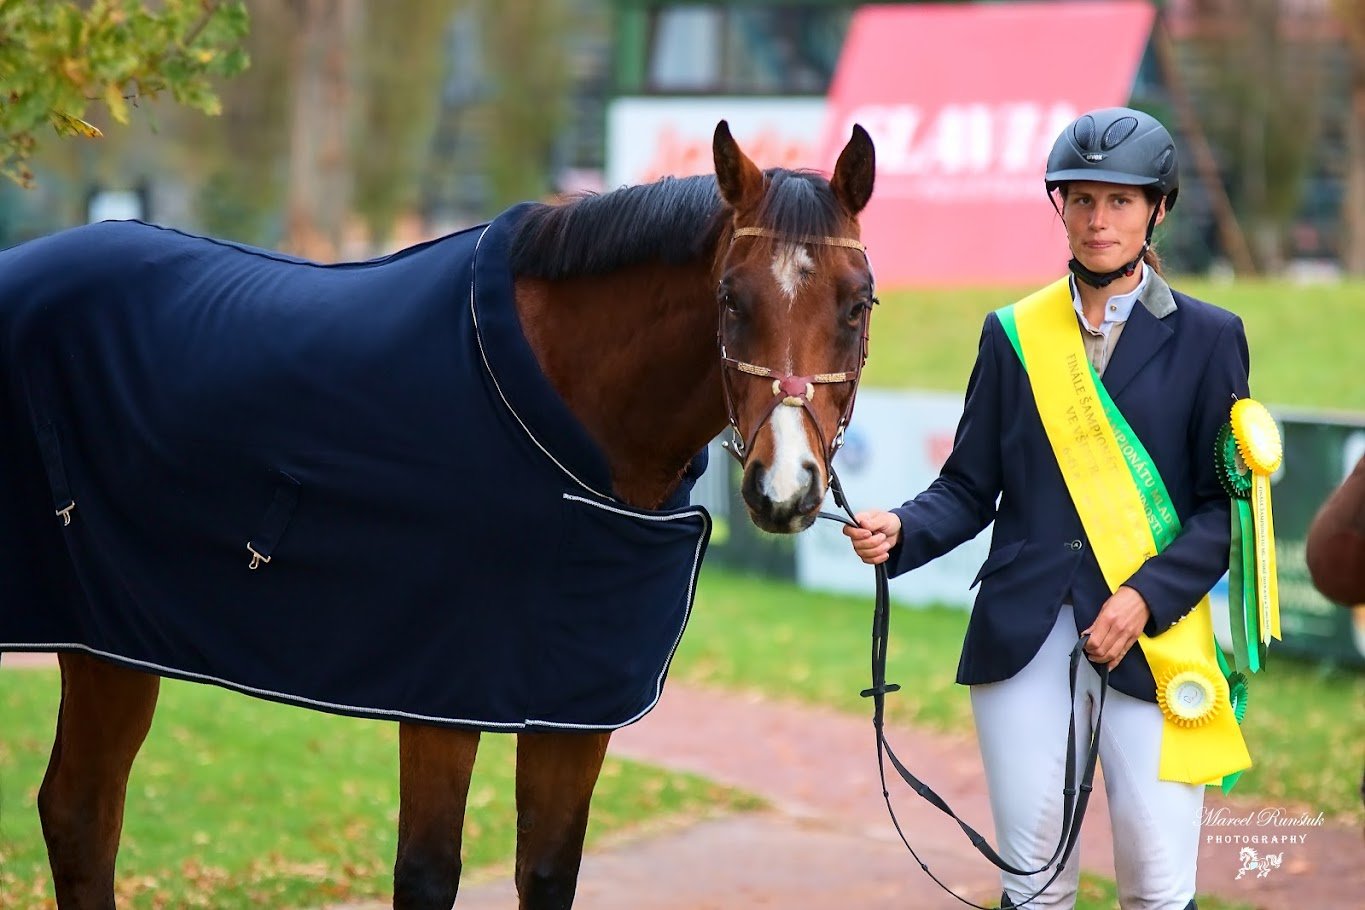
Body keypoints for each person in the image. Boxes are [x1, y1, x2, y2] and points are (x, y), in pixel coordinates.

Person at [844, 107, 1252, 910]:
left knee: (1157, 883)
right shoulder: (1011, 334)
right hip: (1022, 634)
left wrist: (1143, 598)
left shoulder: (1211, 338)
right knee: (1029, 880)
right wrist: (904, 528)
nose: (1098, 220)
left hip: (1153, 642)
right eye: (1082, 200)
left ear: (1157, 210)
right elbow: (967, 486)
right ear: (1059, 207)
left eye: (1121, 202)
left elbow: (1220, 511)